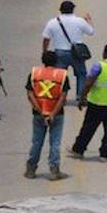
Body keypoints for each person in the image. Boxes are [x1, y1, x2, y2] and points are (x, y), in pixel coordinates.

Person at [25, 50, 69, 180]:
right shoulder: (62, 75)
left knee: (37, 142)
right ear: (56, 61)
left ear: (43, 61)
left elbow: (30, 94)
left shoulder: (35, 73)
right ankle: (54, 171)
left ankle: (30, 170)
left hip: (38, 115)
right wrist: (52, 114)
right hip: (57, 115)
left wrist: (40, 110)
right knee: (55, 143)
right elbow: (63, 97)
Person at [42, 1, 95, 97]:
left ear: (60, 10)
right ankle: (80, 96)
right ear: (73, 9)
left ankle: (60, 97)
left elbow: (46, 38)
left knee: (59, 76)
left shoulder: (53, 22)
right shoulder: (79, 21)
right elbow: (91, 32)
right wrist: (89, 20)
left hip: (60, 52)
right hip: (77, 53)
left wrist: (45, 51)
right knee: (81, 74)